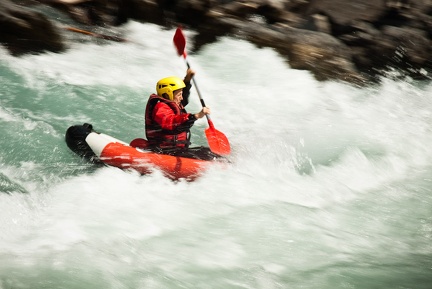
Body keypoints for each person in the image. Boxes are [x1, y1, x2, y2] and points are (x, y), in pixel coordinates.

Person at [144, 69, 221, 161]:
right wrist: (195, 116)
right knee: (208, 156)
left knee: (207, 151)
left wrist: (187, 79)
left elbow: (183, 95)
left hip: (177, 150)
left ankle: (228, 163)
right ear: (168, 94)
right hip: (166, 151)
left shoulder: (175, 104)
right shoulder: (160, 108)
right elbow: (173, 124)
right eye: (179, 94)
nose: (181, 97)